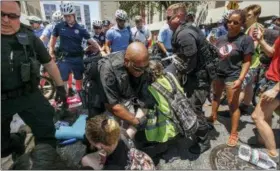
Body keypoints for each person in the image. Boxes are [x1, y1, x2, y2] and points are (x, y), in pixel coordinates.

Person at [1, 1, 66, 159]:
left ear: (19, 17)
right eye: (1, 14)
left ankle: (46, 163)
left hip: (28, 94)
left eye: (12, 16)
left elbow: (49, 63)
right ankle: (17, 141)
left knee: (46, 133)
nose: (5, 20)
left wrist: (60, 87)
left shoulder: (29, 37)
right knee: (2, 148)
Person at [164, 3, 212, 154]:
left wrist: (178, 73)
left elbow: (189, 62)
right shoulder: (186, 29)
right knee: (194, 106)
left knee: (194, 108)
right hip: (197, 76)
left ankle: (204, 141)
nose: (166, 21)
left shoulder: (184, 34)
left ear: (178, 17)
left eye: (168, 18)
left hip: (199, 78)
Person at [208, 10, 254, 146]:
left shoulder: (246, 39)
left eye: (235, 22)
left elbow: (247, 61)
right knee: (215, 96)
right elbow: (216, 56)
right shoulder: (221, 38)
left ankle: (234, 133)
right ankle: (213, 116)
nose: (231, 24)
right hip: (219, 73)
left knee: (232, 104)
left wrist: (240, 79)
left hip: (233, 75)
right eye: (229, 21)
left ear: (242, 24)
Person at [87, 42, 149, 139]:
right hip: (99, 95)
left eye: (145, 68)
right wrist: (136, 122)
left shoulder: (140, 64)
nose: (142, 71)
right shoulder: (107, 70)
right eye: (138, 68)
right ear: (126, 61)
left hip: (120, 93)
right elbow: (113, 106)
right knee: (99, 129)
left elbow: (144, 95)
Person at [49, 2, 102, 97]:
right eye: (65, 16)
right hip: (64, 58)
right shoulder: (59, 26)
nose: (67, 18)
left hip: (78, 58)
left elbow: (91, 40)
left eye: (69, 16)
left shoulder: (80, 28)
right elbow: (52, 40)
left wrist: (101, 50)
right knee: (63, 80)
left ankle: (80, 97)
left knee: (79, 79)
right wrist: (51, 52)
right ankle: (64, 101)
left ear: (74, 14)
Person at [82, 114, 155, 170]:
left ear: (99, 145)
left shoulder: (111, 168)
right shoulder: (122, 135)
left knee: (85, 160)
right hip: (144, 163)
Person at [251, 26, 280, 161]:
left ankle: (272, 154)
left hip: (277, 84)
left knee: (257, 116)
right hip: (271, 79)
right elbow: (272, 52)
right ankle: (263, 143)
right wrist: (261, 40)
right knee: (265, 116)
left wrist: (275, 89)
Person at [239, 4, 264, 114]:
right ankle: (245, 106)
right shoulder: (255, 26)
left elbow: (252, 46)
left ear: (256, 15)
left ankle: (233, 110)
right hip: (254, 63)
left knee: (239, 87)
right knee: (248, 85)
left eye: (249, 15)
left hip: (250, 63)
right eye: (246, 15)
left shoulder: (254, 27)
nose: (247, 17)